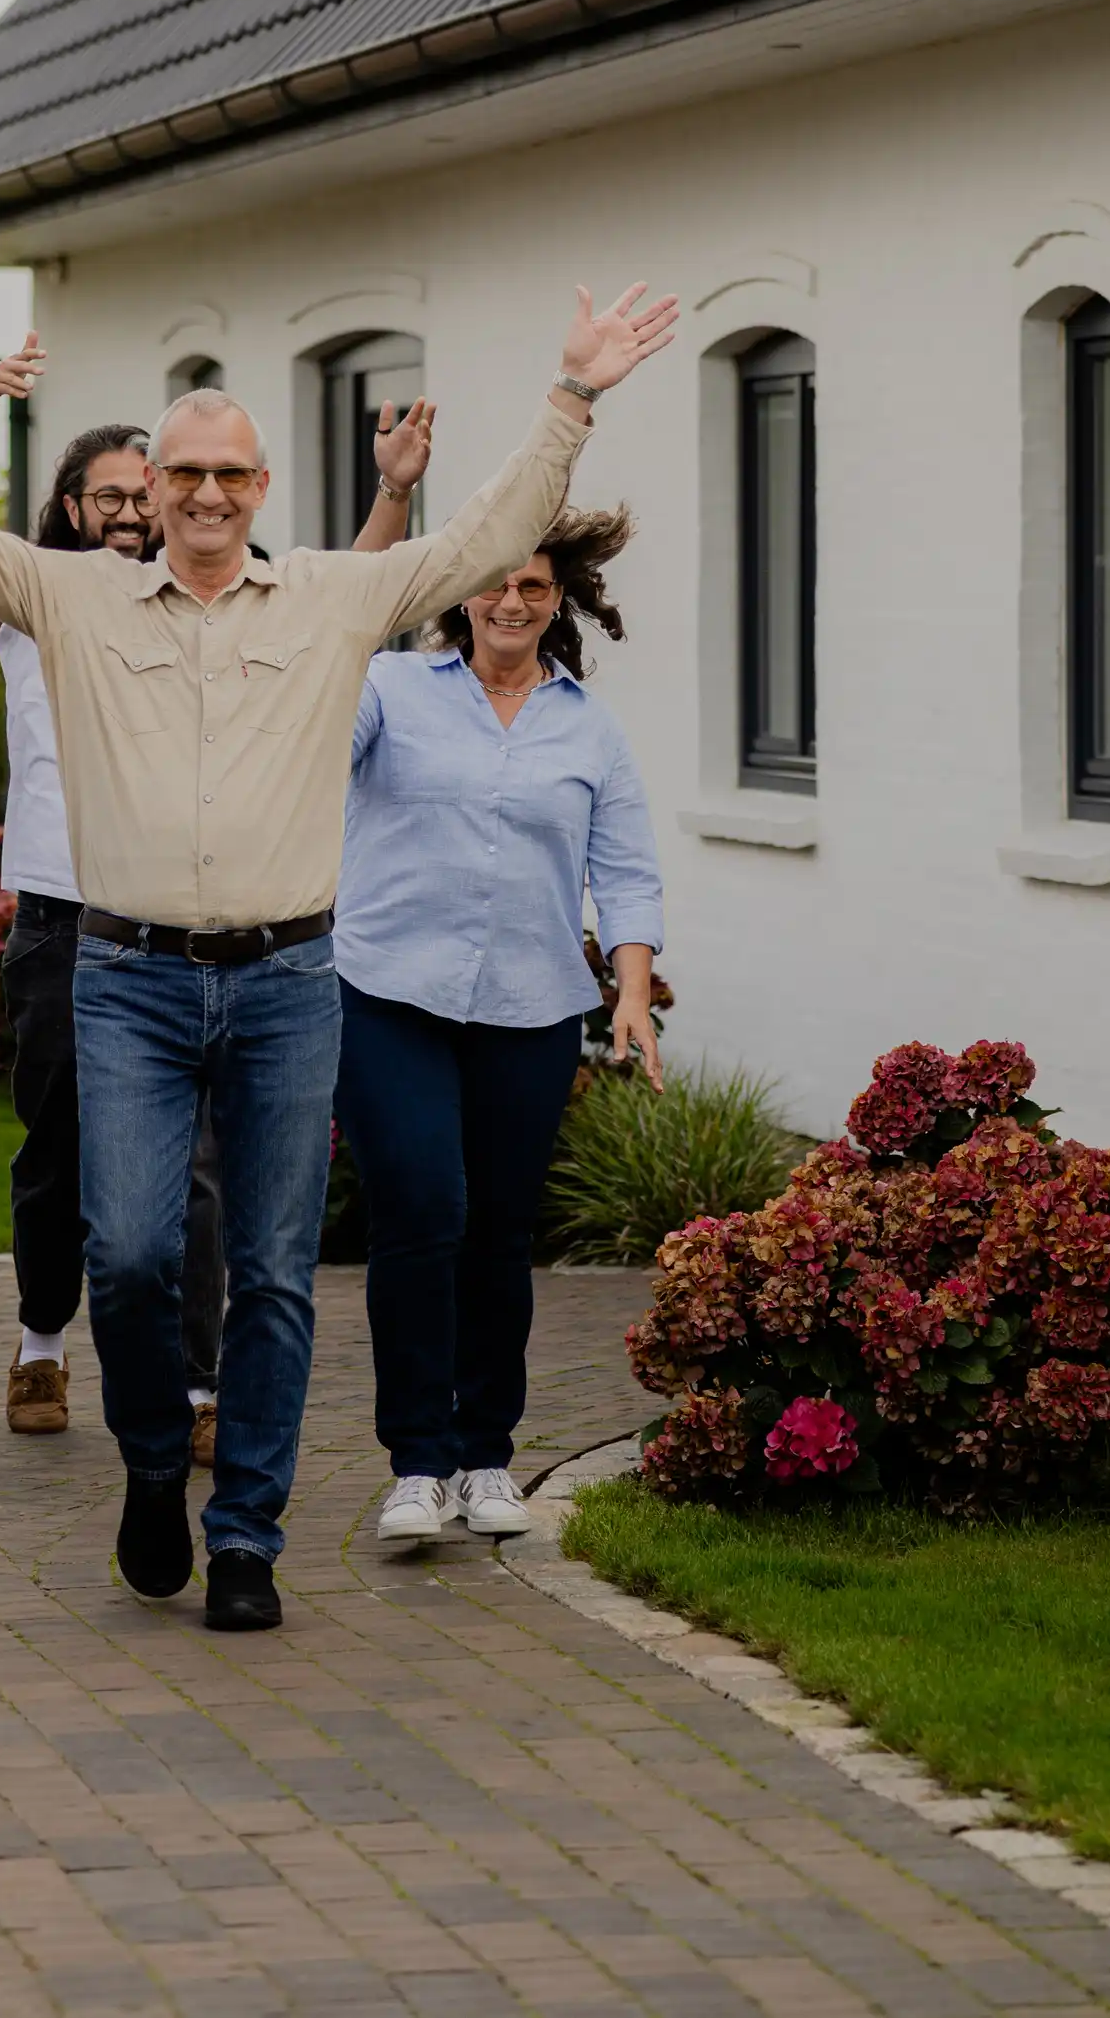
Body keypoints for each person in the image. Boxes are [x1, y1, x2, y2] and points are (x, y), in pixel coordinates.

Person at [0, 265, 678, 1633]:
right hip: (127, 977)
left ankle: (245, 1533)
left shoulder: (332, 604)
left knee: (269, 1272)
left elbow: (486, 535)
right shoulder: (72, 597)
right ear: (157, 483)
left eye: (228, 475)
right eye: (183, 471)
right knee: (131, 1254)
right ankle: (153, 1460)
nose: (204, 493)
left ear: (261, 489)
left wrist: (572, 396)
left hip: (289, 983)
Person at [0, 346, 434, 1458]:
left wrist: (394, 491)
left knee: (206, 1173)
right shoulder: (39, 605)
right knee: (63, 1153)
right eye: (118, 490)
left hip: (214, 933)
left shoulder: (240, 604)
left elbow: (348, 605)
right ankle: (41, 1338)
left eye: (144, 485)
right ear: (86, 506)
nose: (136, 507)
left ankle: (201, 1386)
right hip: (72, 917)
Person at [334, 510, 662, 1550]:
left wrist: (630, 990)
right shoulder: (389, 689)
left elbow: (627, 868)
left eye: (531, 585)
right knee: (422, 1208)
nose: (510, 601)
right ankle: (417, 1461)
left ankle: (486, 1455)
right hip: (388, 992)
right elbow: (309, 730)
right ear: (459, 591)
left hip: (529, 1006)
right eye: (493, 582)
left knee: (499, 1232)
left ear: (558, 597)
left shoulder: (588, 726)